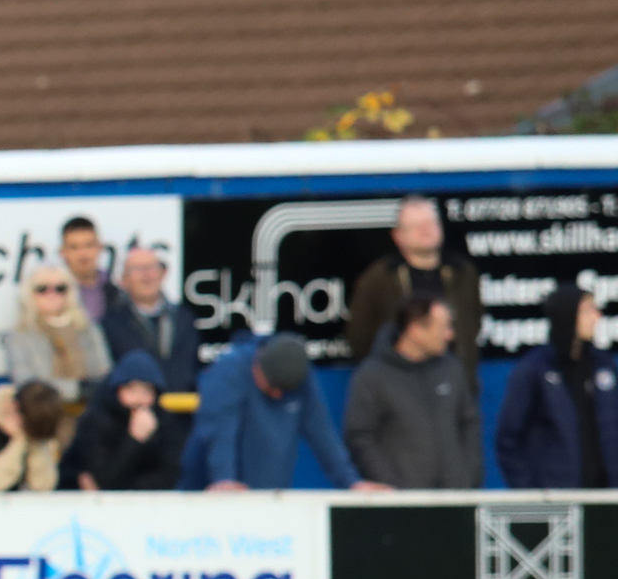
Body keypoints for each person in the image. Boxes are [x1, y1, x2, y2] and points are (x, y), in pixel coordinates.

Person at [181, 331, 379, 492]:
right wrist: (223, 478)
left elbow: (322, 433)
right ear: (256, 367)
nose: (277, 395)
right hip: (209, 491)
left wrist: (351, 482)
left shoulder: (301, 374)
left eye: (284, 392)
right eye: (271, 387)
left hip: (269, 495)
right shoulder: (228, 371)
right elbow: (219, 433)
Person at [344, 289, 483, 489]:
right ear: (415, 329)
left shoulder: (452, 369)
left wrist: (468, 478)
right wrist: (392, 486)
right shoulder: (372, 376)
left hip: (456, 498)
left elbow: (469, 424)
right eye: (443, 328)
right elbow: (360, 436)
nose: (450, 335)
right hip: (401, 507)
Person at [344, 195, 483, 366]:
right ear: (397, 235)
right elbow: (359, 337)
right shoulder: (378, 278)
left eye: (430, 223)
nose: (425, 231)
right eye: (416, 226)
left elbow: (474, 323)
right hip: (398, 385)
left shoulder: (463, 272)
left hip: (456, 383)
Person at [497, 291, 615, 487]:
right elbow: (508, 438)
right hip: (557, 496)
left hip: (605, 495)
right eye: (587, 311)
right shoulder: (534, 369)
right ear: (566, 316)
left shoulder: (604, 366)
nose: (597, 316)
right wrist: (529, 491)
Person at [66, 355, 182, 493]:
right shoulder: (96, 421)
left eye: (146, 391)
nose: (139, 399)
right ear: (117, 390)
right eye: (131, 390)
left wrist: (129, 487)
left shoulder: (164, 422)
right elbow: (103, 480)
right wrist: (134, 440)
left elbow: (169, 476)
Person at [100, 243, 198, 392]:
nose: (146, 275)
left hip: (181, 407)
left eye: (151, 267)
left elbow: (190, 366)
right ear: (123, 280)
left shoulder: (184, 317)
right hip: (133, 409)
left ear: (163, 273)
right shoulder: (111, 322)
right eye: (138, 269)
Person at [2, 263, 107, 397]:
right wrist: (76, 389)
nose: (51, 294)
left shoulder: (88, 329)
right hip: (43, 411)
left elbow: (103, 373)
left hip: (90, 408)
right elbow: (25, 383)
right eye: (42, 289)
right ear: (30, 293)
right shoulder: (21, 335)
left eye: (60, 288)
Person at [57, 215, 112, 329]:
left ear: (99, 248)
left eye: (89, 245)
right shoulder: (52, 291)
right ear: (63, 252)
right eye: (74, 247)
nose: (83, 254)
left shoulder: (115, 290)